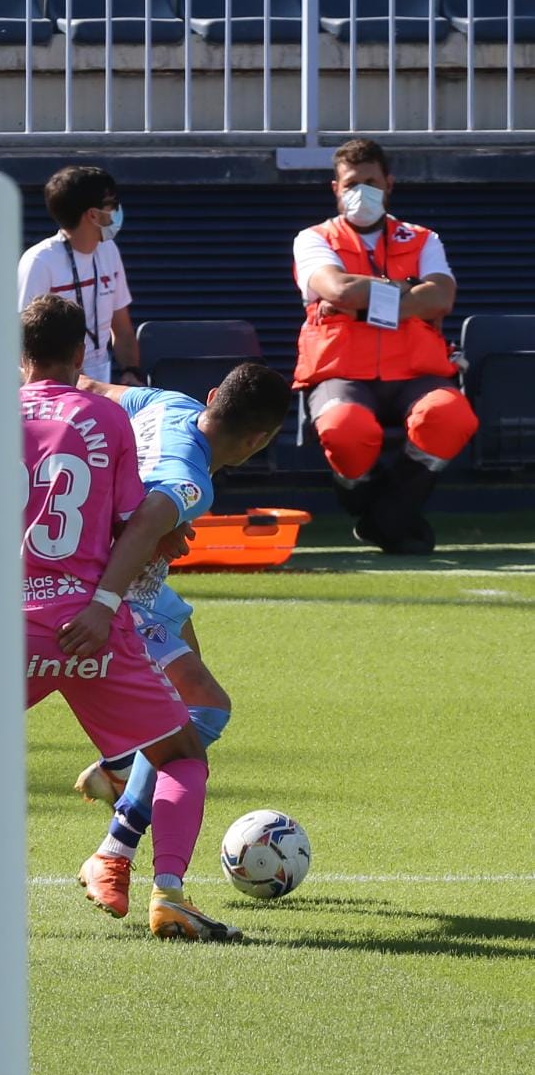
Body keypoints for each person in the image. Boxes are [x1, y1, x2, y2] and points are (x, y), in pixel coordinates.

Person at [20, 294, 240, 943]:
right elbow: (130, 519)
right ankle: (166, 892)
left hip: (5, 622)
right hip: (92, 624)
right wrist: (109, 595)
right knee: (182, 747)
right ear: (81, 350)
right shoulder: (108, 419)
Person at [71, 363, 293, 922]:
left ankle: (123, 764)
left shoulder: (168, 404)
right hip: (112, 591)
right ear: (260, 439)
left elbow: (88, 387)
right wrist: (151, 529)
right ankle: (118, 852)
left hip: (143, 591)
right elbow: (146, 516)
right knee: (202, 708)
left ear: (212, 396)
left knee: (189, 670)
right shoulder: (191, 477)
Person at [293, 138, 478, 554]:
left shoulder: (423, 239)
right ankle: (376, 507)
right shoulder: (313, 239)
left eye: (371, 182)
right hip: (340, 371)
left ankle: (384, 518)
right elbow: (337, 288)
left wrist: (363, 300)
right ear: (336, 188)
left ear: (389, 184)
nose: (361, 192)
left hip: (416, 371)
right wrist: (409, 292)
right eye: (352, 183)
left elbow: (441, 298)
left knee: (449, 416)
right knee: (345, 430)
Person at [17, 165, 143, 387]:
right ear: (93, 215)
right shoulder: (39, 261)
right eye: (112, 204)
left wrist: (131, 371)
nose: (117, 210)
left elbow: (122, 329)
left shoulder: (109, 251)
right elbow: (22, 343)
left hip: (101, 384)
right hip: (55, 386)